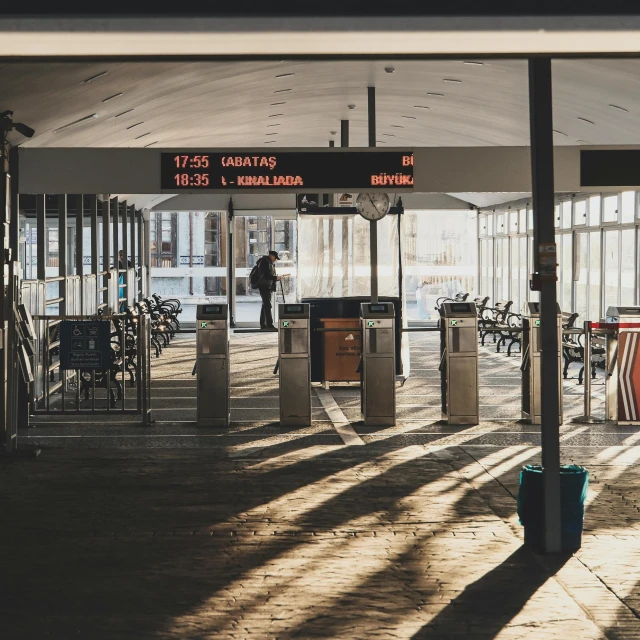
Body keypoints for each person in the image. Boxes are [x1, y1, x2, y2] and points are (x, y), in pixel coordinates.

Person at [256, 250, 281, 330]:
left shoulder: (267, 262)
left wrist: (275, 278)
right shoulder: (265, 262)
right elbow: (267, 275)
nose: (275, 260)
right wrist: (275, 278)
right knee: (267, 305)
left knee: (265, 305)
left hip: (266, 286)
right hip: (264, 287)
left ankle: (263, 324)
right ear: (271, 256)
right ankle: (269, 325)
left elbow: (267, 275)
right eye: (275, 258)